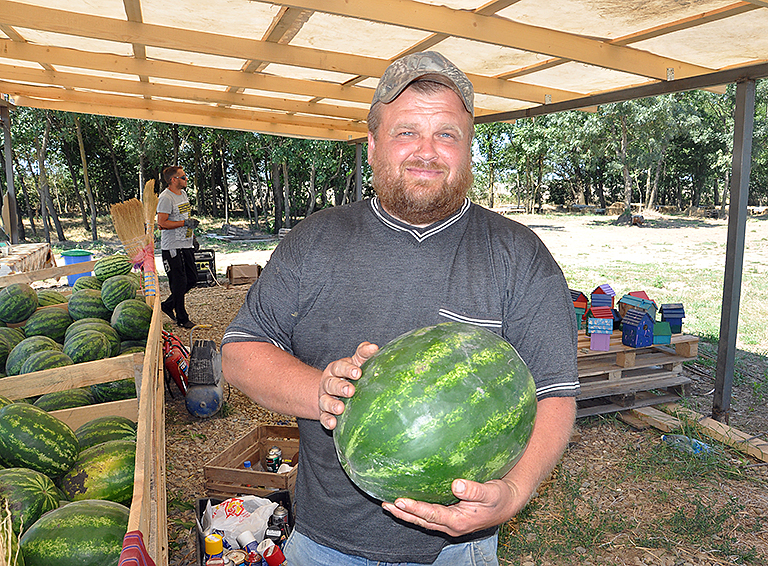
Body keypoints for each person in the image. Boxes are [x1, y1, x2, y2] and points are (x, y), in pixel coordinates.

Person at [221, 51, 579, 565]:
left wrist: (514, 492)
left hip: (457, 552)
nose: (426, 152)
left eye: (446, 135)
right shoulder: (315, 241)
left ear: (469, 148)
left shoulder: (518, 256)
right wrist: (321, 392)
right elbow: (239, 351)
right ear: (372, 146)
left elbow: (554, 392)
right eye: (406, 131)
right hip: (324, 544)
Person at [157, 166, 199, 329]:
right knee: (179, 283)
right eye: (183, 177)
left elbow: (184, 216)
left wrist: (192, 236)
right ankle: (182, 318)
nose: (186, 179)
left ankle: (167, 305)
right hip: (173, 247)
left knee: (192, 278)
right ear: (173, 180)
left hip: (186, 243)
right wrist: (184, 223)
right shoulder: (166, 198)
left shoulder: (183, 194)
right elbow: (162, 223)